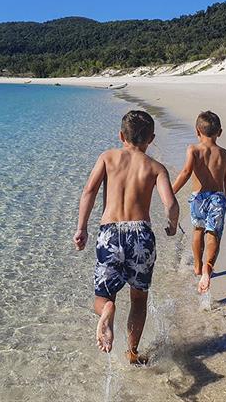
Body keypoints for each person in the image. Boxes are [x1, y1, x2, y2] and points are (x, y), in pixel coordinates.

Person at [73, 110, 180, 363]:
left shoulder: (108, 157)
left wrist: (82, 228)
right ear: (151, 139)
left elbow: (89, 191)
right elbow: (171, 204)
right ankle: (132, 353)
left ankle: (107, 310)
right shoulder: (155, 167)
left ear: (121, 135)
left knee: (103, 297)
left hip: (110, 232)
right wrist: (172, 225)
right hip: (141, 235)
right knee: (138, 299)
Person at [172, 110, 226, 294]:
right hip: (217, 197)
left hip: (198, 197)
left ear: (197, 131)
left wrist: (171, 191)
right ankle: (208, 267)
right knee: (213, 233)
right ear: (219, 132)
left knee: (198, 230)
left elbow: (185, 173)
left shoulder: (194, 149)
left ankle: (197, 266)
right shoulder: (224, 153)